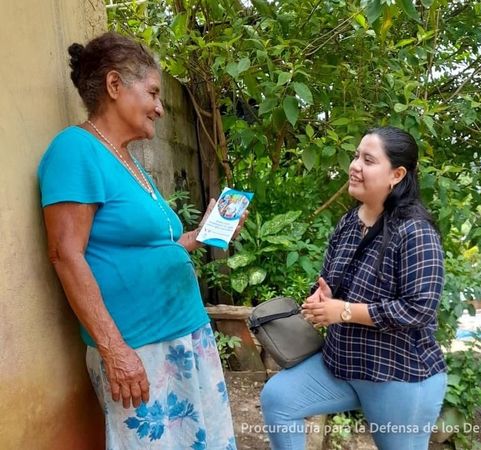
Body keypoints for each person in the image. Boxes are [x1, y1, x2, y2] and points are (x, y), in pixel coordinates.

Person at [38, 32, 241, 449]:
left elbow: (152, 248)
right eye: (152, 93)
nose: (161, 108)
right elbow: (65, 253)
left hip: (185, 337)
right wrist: (115, 351)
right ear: (115, 86)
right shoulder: (75, 150)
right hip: (139, 348)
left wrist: (198, 237)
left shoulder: (129, 161)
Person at [260, 127, 447, 450]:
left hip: (398, 374)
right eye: (356, 156)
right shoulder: (349, 222)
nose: (355, 165)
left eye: (368, 160)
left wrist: (343, 311)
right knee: (278, 399)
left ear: (397, 174)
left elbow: (418, 310)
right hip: (342, 364)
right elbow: (330, 281)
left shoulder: (416, 232)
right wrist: (323, 298)